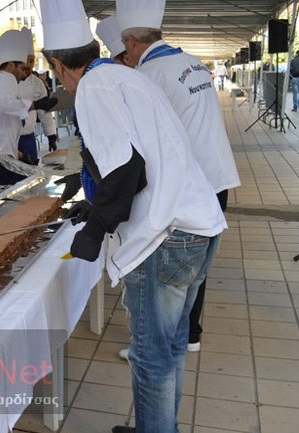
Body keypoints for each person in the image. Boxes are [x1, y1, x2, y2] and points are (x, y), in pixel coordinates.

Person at [40, 1, 226, 433]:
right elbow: (138, 156)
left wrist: (96, 226)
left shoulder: (92, 88)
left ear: (56, 64)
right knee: (172, 346)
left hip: (166, 236)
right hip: (199, 223)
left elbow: (127, 170)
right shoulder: (121, 74)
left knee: (151, 357)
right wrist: (94, 198)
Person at [118, 0, 240, 357]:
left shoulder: (147, 75)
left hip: (188, 186)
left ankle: (159, 346)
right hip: (218, 178)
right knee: (197, 269)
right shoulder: (193, 63)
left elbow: (137, 144)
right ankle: (189, 334)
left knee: (167, 272)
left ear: (130, 43)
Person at [0, 30, 46, 185]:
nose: (23, 74)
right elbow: (5, 104)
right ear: (12, 65)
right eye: (22, 68)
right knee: (8, 203)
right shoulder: (6, 78)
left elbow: (2, 128)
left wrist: (21, 156)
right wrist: (35, 104)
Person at [17, 27, 58, 160]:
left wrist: (51, 135)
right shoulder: (6, 81)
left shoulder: (37, 83)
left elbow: (44, 111)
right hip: (10, 140)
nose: (30, 65)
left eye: (32, 60)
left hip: (28, 138)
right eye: (27, 60)